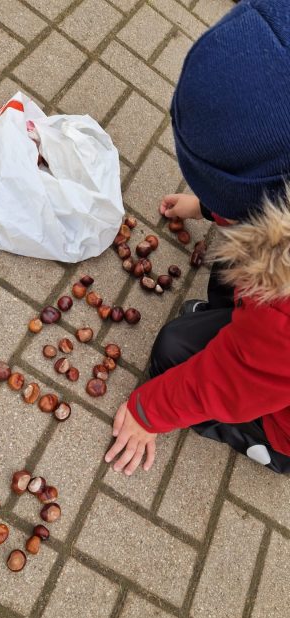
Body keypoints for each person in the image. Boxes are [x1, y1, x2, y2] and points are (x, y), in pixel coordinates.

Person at [105, 0, 290, 476]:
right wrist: (210, 206)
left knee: (172, 352)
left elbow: (238, 377)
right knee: (233, 258)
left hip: (281, 406)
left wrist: (150, 412)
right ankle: (233, 319)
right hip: (275, 340)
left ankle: (268, 446)